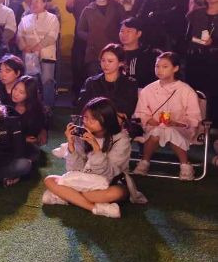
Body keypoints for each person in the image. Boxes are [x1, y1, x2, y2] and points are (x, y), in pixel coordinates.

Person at [43, 97, 132, 218]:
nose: (86, 122)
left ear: (107, 120)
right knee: (49, 180)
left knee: (116, 193)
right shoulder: (81, 134)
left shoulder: (121, 139)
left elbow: (110, 174)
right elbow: (74, 170)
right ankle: (95, 208)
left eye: (93, 119)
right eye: (85, 117)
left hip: (111, 182)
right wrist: (71, 145)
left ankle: (66, 196)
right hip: (84, 181)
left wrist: (96, 148)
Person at [133, 52, 202, 180]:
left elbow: (194, 116)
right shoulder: (148, 89)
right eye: (157, 66)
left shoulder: (185, 90)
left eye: (165, 67)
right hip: (154, 127)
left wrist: (176, 123)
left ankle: (184, 166)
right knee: (158, 130)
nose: (159, 70)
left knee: (169, 130)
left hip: (181, 128)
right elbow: (141, 112)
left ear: (175, 68)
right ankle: (145, 162)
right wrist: (150, 120)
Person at [16, 0, 60, 108]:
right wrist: (24, 47)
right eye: (32, 2)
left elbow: (52, 36)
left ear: (44, 3)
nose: (34, 4)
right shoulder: (25, 19)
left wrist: (37, 47)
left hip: (47, 55)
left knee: (47, 81)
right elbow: (19, 35)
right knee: (30, 82)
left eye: (38, 1)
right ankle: (32, 106)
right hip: (29, 55)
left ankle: (48, 107)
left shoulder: (52, 18)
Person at [77, 44, 139, 121]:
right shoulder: (91, 82)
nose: (105, 64)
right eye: (103, 60)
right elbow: (82, 106)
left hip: (118, 123)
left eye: (110, 61)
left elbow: (128, 109)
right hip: (93, 121)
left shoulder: (129, 84)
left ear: (121, 63)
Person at [77, 0, 125, 77]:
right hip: (94, 53)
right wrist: (91, 37)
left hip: (114, 51)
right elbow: (80, 30)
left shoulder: (117, 8)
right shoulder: (87, 10)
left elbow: (124, 26)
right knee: (95, 81)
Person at [185, 0, 218, 123]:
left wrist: (213, 43)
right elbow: (186, 37)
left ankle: (214, 125)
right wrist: (201, 41)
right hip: (197, 58)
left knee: (215, 93)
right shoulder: (196, 14)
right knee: (195, 91)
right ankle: (195, 124)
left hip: (215, 59)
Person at [66, 0, 99, 93]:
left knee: (95, 72)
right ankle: (78, 97)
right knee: (78, 69)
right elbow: (69, 5)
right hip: (80, 41)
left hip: (98, 42)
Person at [118, 17, 157, 88]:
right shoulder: (114, 52)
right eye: (122, 31)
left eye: (129, 31)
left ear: (138, 34)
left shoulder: (148, 55)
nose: (124, 34)